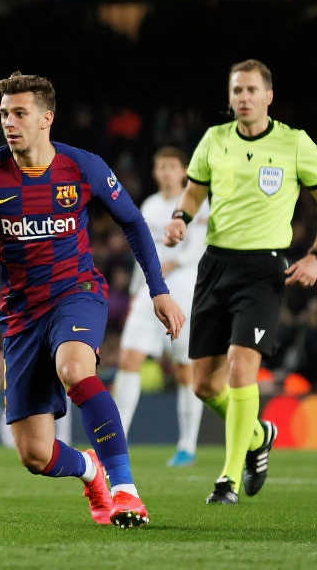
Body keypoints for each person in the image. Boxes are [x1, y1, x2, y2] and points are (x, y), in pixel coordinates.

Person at [0, 72, 184, 528]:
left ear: (46, 118)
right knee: (34, 454)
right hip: (21, 315)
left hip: (76, 293)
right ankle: (90, 470)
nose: (9, 122)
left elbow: (132, 222)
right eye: (4, 114)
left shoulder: (82, 167)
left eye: (19, 113)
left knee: (74, 368)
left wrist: (158, 290)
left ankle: (126, 491)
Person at [163, 59, 317, 505]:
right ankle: (259, 436)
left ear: (268, 96)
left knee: (242, 367)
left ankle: (227, 481)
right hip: (215, 266)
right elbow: (194, 191)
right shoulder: (214, 139)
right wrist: (181, 217)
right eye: (236, 91)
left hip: (263, 269)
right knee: (204, 385)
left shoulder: (294, 143)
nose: (243, 98)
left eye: (250, 90)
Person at [113, 146, 208, 467]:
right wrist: (134, 290)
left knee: (184, 368)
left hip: (183, 288)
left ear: (183, 171)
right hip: (148, 290)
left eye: (171, 166)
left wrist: (169, 264)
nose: (166, 172)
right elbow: (139, 250)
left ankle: (187, 445)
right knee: (128, 359)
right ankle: (117, 442)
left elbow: (198, 249)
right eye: (161, 167)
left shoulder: (197, 202)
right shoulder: (150, 206)